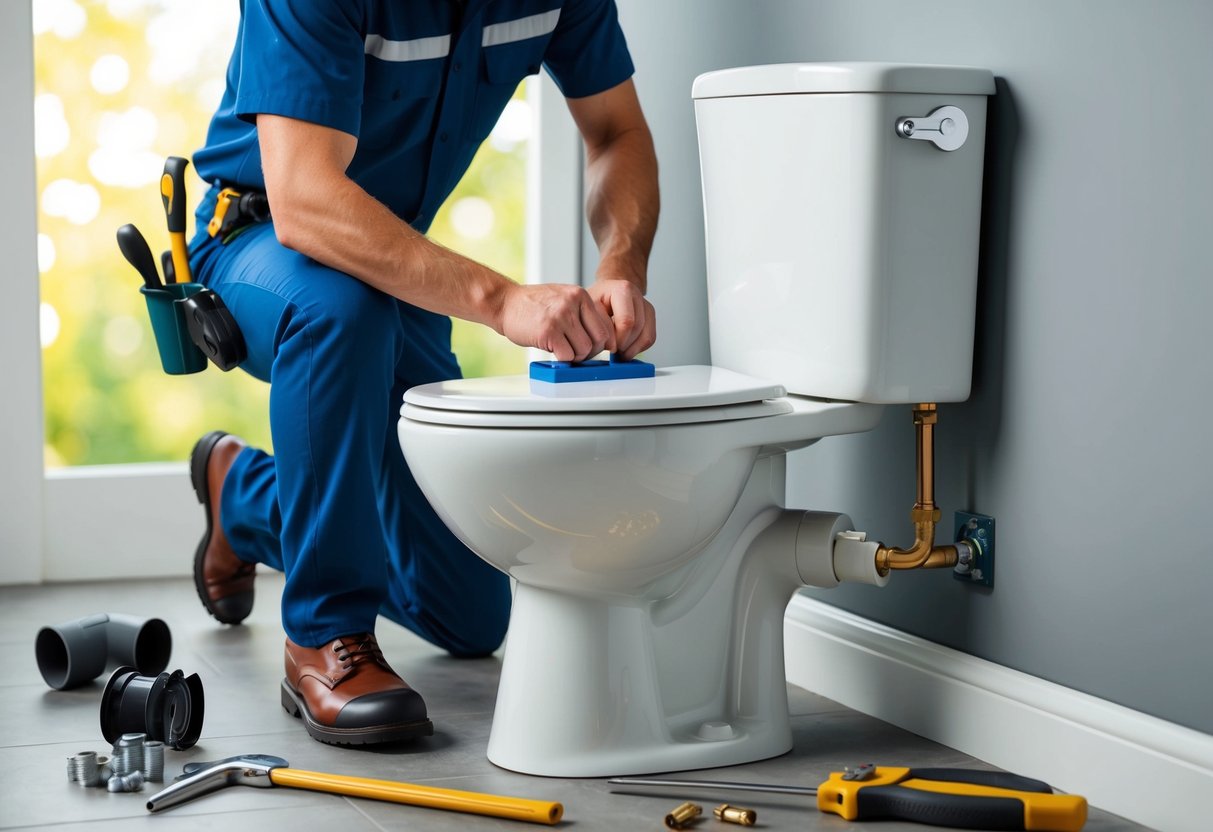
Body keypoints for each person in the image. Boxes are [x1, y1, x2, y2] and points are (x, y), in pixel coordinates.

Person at [185, 0, 658, 747]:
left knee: (468, 616)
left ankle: (242, 496)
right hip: (256, 238)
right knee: (340, 313)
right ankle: (323, 637)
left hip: (394, 266)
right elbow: (304, 201)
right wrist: (501, 300)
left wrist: (620, 262)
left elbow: (615, 132)